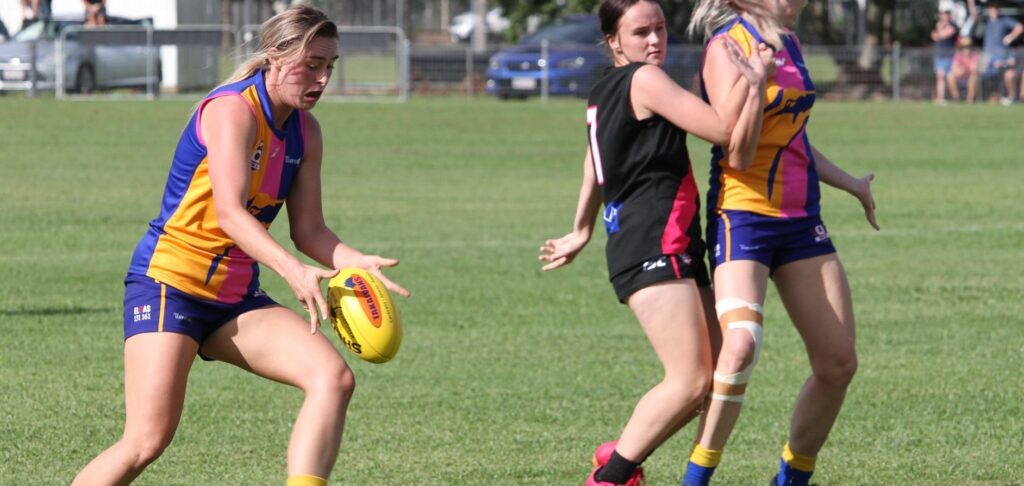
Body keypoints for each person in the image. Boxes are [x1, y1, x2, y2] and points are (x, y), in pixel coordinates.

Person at [71, 6, 409, 486]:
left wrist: (356, 261)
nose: (323, 77)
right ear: (275, 55)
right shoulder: (233, 109)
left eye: (330, 65)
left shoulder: (306, 132)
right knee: (147, 439)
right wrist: (293, 272)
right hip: (171, 285)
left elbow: (309, 228)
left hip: (233, 298)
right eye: (312, 64)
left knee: (332, 379)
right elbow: (229, 213)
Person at [538, 1, 771, 484]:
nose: (653, 40)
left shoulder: (605, 87)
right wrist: (752, 78)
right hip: (652, 243)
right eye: (640, 31)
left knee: (713, 378)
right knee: (690, 381)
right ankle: (613, 476)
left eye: (660, 28)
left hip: (665, 241)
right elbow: (724, 131)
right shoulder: (645, 80)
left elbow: (593, 163)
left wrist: (582, 228)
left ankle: (620, 453)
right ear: (613, 41)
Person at [683, 0, 878, 484]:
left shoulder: (789, 43)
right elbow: (739, 151)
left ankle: (791, 478)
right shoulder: (727, 47)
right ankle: (696, 478)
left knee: (838, 363)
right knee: (741, 346)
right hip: (743, 217)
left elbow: (793, 137)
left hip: (801, 220)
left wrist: (850, 182)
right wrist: (754, 81)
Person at [979, 2, 1022, 105]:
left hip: (1000, 54)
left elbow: (1019, 27)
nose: (994, 11)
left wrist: (1010, 37)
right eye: (992, 8)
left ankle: (1005, 97)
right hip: (987, 54)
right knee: (980, 74)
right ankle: (982, 98)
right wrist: (970, 2)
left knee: (1003, 74)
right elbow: (973, 16)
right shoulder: (986, 21)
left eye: (996, 8)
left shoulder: (1004, 20)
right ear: (989, 10)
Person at [931, 6, 959, 104]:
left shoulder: (953, 25)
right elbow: (934, 36)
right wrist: (939, 31)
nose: (944, 16)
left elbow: (944, 34)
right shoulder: (939, 25)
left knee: (950, 77)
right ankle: (940, 98)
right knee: (940, 76)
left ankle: (956, 97)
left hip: (949, 55)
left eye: (946, 14)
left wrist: (939, 32)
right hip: (940, 54)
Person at [948, 36, 980, 102]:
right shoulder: (957, 56)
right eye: (965, 47)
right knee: (950, 76)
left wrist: (964, 69)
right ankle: (956, 98)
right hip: (960, 76)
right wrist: (962, 70)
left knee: (973, 78)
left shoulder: (974, 55)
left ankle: (969, 100)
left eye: (968, 47)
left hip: (970, 76)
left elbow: (974, 70)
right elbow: (954, 69)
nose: (967, 49)